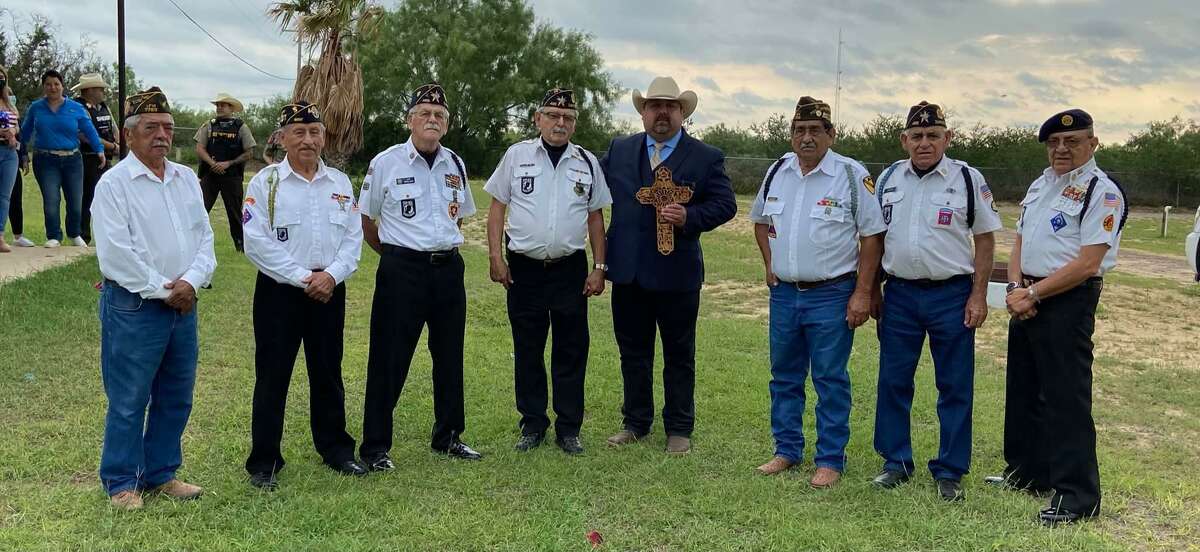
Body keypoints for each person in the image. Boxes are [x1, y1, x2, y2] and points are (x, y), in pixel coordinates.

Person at [989, 109, 1127, 525]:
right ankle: (1028, 472)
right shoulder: (1041, 184)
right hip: (1026, 296)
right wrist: (1016, 289)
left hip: (1066, 299)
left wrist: (1032, 292)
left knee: (1066, 398)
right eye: (1054, 143)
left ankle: (1076, 495)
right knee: (1025, 390)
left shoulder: (1101, 192)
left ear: (1093, 144)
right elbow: (1020, 241)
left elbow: (1088, 263)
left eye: (1072, 141)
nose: (1062, 149)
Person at [867, 101, 1003, 501]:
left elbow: (985, 239)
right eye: (917, 136)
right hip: (901, 295)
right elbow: (874, 239)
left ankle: (950, 470)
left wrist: (979, 294)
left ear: (948, 138)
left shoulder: (966, 178)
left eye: (932, 135)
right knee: (893, 381)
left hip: (952, 294)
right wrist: (871, 288)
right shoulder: (890, 177)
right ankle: (896, 462)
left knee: (955, 385)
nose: (924, 143)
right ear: (904, 140)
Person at [748, 96, 885, 488]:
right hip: (785, 294)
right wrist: (770, 262)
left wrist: (862, 293)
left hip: (832, 293)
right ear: (791, 134)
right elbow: (759, 222)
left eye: (815, 130)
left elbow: (872, 237)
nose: (806, 137)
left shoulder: (850, 174)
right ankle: (786, 450)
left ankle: (829, 459)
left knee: (829, 378)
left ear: (831, 134)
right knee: (785, 376)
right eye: (799, 130)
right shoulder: (778, 170)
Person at [91, 86, 216, 510]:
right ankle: (121, 482)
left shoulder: (185, 179)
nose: (162, 134)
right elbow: (116, 255)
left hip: (184, 304)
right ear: (129, 135)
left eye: (166, 126)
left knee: (176, 393)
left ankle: (160, 473)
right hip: (136, 307)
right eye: (150, 127)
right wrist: (169, 290)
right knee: (129, 398)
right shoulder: (114, 185)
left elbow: (205, 239)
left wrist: (192, 282)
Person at [600, 76, 736, 455]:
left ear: (682, 112)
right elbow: (590, 186)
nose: (661, 113)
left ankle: (679, 427)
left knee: (679, 354)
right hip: (628, 271)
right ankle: (636, 422)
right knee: (633, 352)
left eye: (670, 106)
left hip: (677, 275)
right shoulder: (620, 150)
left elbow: (726, 205)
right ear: (643, 112)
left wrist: (689, 216)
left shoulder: (705, 157)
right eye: (654, 106)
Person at [241, 101, 366, 490]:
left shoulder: (341, 184)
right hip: (280, 293)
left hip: (329, 291)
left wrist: (330, 276)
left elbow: (352, 239)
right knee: (273, 376)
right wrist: (303, 278)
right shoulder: (265, 184)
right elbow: (255, 241)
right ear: (281, 139)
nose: (308, 140)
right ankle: (265, 461)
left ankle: (336, 449)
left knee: (328, 372)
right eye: (299, 132)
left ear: (324, 138)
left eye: (315, 132)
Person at [358, 83, 483, 470]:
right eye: (425, 113)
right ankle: (376, 447)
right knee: (389, 358)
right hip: (402, 271)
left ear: (446, 124)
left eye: (440, 115)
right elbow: (366, 219)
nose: (432, 119)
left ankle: (448, 436)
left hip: (448, 269)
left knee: (449, 356)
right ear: (410, 119)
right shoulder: (387, 162)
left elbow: (458, 214)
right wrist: (397, 255)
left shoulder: (455, 163)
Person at [484, 88, 612, 454]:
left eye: (568, 118)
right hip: (524, 269)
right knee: (528, 348)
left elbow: (595, 217)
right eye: (553, 116)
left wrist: (599, 267)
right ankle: (533, 423)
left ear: (574, 124)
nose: (560, 123)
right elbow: (497, 208)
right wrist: (496, 256)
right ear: (537, 119)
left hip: (569, 269)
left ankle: (569, 428)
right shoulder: (517, 155)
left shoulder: (586, 162)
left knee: (571, 350)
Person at [17, 69, 105, 248]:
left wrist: (100, 150)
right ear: (44, 87)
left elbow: (89, 131)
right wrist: (23, 153)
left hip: (72, 160)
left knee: (75, 200)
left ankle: (74, 233)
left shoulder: (75, 107)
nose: (53, 88)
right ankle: (54, 235)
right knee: (51, 199)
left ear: (62, 86)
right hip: (46, 159)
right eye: (48, 84)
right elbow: (25, 132)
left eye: (56, 84)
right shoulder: (36, 108)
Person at [194, 92, 256, 252]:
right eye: (218, 105)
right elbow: (200, 148)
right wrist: (213, 163)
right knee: (199, 210)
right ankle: (194, 243)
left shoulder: (241, 127)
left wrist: (229, 163)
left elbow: (249, 152)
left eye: (223, 105)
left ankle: (241, 246)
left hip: (232, 177)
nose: (219, 108)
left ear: (231, 108)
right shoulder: (208, 125)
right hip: (210, 175)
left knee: (235, 214)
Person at [72, 73, 120, 245]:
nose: (103, 92)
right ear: (90, 90)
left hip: (106, 159)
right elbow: (86, 134)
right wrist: (113, 147)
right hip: (88, 158)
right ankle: (82, 235)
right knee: (87, 198)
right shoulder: (80, 108)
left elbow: (114, 127)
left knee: (107, 199)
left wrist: (118, 143)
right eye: (101, 89)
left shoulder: (103, 107)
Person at [0, 66, 19, 252]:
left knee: (4, 196)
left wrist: (13, 131)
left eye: (2, 78)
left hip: (9, 152)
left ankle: (0, 235)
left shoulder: (9, 103)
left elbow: (17, 125)